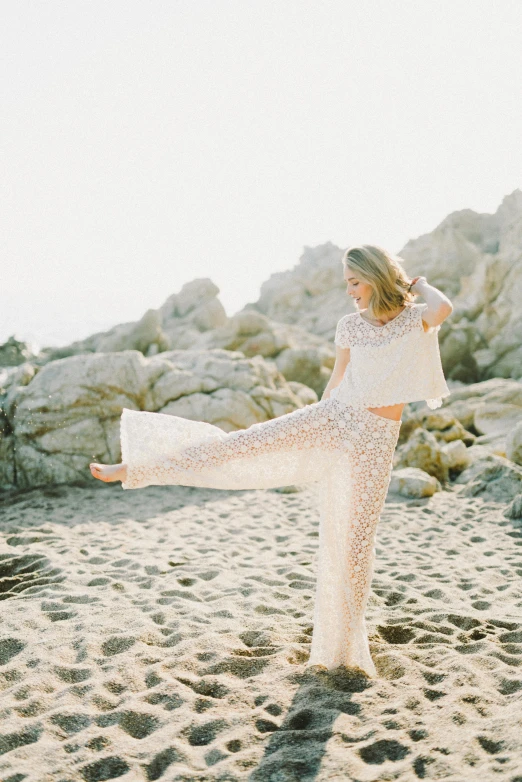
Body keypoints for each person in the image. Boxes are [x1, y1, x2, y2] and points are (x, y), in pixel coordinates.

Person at [90, 244, 452, 677]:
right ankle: (137, 467)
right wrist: (315, 428)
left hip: (377, 442)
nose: (350, 292)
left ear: (376, 276)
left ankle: (347, 648)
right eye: (347, 284)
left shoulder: (414, 319)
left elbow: (443, 307)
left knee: (356, 547)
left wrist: (420, 284)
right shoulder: (349, 326)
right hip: (336, 418)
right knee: (240, 444)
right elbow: (337, 381)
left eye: (355, 282)